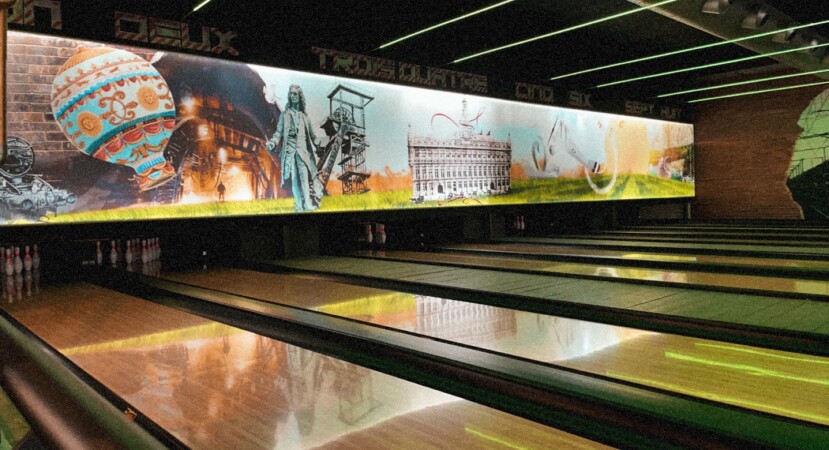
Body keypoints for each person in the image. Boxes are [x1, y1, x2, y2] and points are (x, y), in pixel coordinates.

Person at [265, 84, 324, 212]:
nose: (293, 96)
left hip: (303, 152)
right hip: (290, 152)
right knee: (294, 180)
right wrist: (272, 143)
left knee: (304, 178)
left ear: (300, 96)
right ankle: (299, 205)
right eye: (291, 94)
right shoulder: (284, 115)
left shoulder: (305, 118)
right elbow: (278, 133)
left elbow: (313, 137)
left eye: (295, 94)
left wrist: (320, 144)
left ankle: (308, 204)